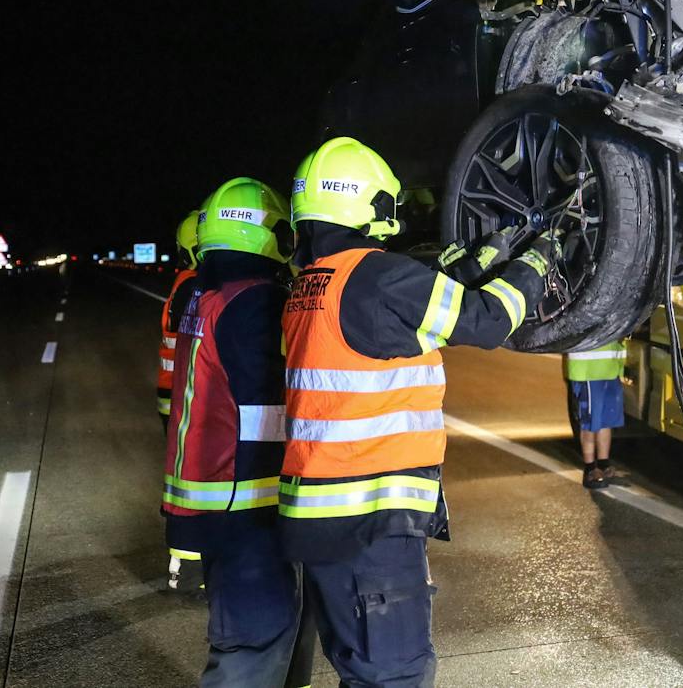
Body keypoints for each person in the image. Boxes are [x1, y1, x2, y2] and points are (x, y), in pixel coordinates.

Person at [279, 135, 560, 688]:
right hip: (370, 528)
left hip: (320, 523)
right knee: (393, 677)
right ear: (373, 205)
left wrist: (460, 269)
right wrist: (533, 265)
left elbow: (395, 323)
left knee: (359, 670)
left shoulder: (309, 287)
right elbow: (482, 322)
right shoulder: (379, 276)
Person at [163, 178, 309, 687]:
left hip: (214, 498)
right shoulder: (254, 302)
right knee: (255, 641)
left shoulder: (204, 294)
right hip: (244, 501)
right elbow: (275, 402)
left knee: (260, 635)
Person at [162, 207, 206, 594]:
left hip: (177, 398)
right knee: (198, 481)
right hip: (192, 399)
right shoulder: (199, 288)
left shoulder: (186, 285)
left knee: (187, 480)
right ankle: (190, 569)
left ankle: (183, 566)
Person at [565, 343, 627, 489]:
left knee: (606, 421)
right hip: (588, 370)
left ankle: (604, 463)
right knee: (590, 422)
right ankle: (590, 468)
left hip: (610, 368)